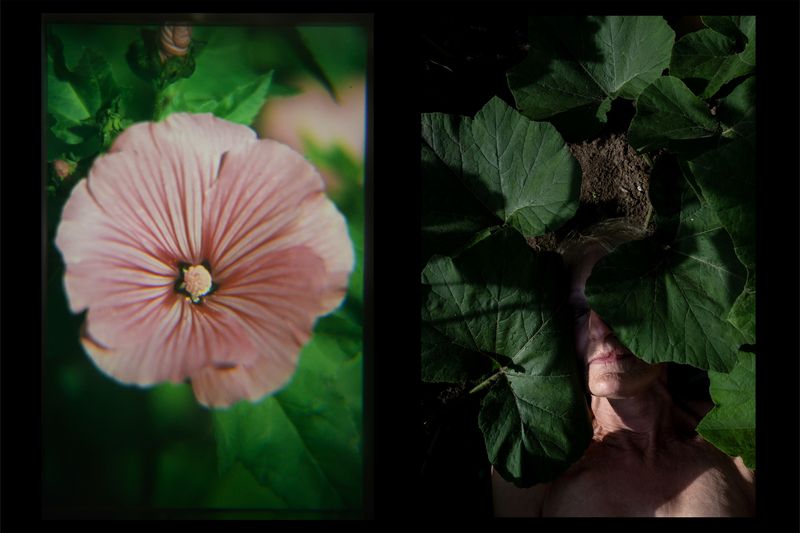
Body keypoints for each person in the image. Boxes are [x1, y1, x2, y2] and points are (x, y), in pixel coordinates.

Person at [492, 220, 755, 517]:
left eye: (618, 302)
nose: (599, 329)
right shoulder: (538, 461)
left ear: (668, 311)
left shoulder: (736, 437)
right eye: (579, 312)